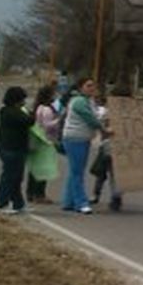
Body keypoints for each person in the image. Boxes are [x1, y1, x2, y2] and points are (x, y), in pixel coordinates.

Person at [61, 78, 106, 214]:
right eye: (88, 86)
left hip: (83, 139)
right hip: (75, 139)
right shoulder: (79, 101)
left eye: (93, 85)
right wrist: (104, 130)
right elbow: (91, 119)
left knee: (75, 171)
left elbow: (97, 115)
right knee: (77, 172)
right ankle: (81, 203)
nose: (92, 88)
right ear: (81, 87)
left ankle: (68, 201)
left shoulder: (89, 101)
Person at [0, 86, 35, 214]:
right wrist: (31, 112)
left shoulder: (8, 111)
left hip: (13, 148)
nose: (24, 101)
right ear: (17, 99)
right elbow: (29, 121)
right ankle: (1, 203)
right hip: (12, 149)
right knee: (9, 177)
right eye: (23, 98)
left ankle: (18, 204)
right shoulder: (11, 112)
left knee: (16, 177)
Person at [90, 88, 123, 212]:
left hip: (107, 147)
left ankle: (96, 195)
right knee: (114, 174)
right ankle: (116, 198)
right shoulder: (126, 113)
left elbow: (101, 128)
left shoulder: (106, 112)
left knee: (102, 173)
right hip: (117, 148)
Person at [27, 85, 60, 204]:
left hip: (37, 138)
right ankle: (39, 194)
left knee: (34, 168)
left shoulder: (38, 107)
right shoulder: (46, 109)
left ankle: (30, 193)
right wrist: (59, 120)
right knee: (43, 168)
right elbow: (47, 125)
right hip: (45, 140)